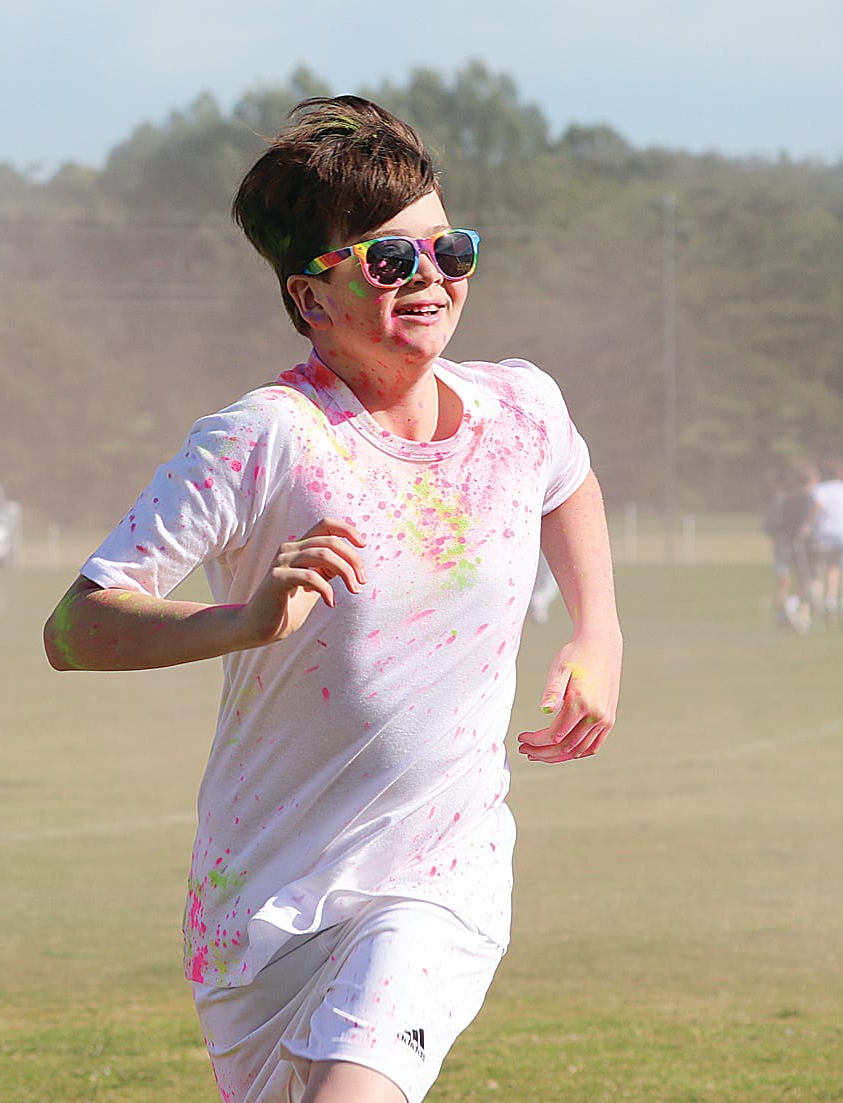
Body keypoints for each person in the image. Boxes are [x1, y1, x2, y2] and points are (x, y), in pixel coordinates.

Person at [43, 96, 622, 1103]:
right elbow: (75, 625)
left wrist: (598, 631)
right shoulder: (265, 437)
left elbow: (568, 480)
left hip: (438, 876)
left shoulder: (522, 404)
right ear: (310, 299)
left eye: (450, 249)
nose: (431, 277)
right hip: (261, 901)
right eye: (388, 260)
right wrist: (244, 621)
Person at [764, 457, 818, 633]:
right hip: (797, 547)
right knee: (802, 581)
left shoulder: (784, 500)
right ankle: (791, 610)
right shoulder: (805, 499)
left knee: (785, 581)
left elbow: (771, 526)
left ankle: (786, 612)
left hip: (785, 546)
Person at [808, 454, 843, 627]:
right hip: (841, 536)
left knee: (818, 572)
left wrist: (808, 525)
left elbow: (817, 506)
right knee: (835, 570)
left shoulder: (820, 489)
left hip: (823, 536)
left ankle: (815, 603)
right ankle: (831, 602)